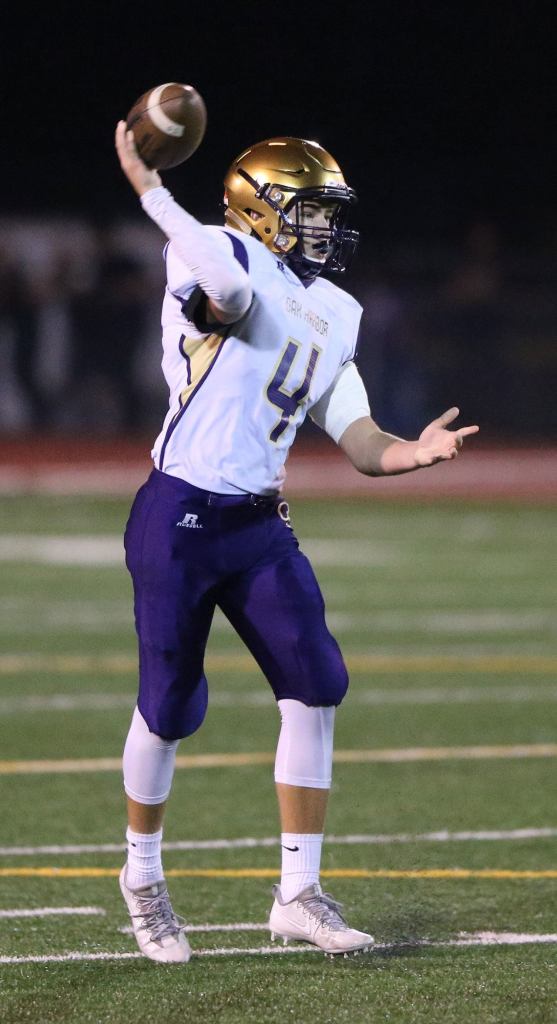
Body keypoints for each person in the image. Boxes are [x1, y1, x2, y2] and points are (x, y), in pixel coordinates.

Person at [114, 121, 479, 964]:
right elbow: (230, 302)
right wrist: (153, 192)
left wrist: (408, 452)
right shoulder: (219, 256)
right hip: (179, 515)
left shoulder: (335, 308)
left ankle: (298, 893)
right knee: (170, 706)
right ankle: (141, 878)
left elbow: (356, 437)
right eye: (308, 209)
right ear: (260, 208)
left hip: (256, 525)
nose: (324, 225)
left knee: (316, 680)